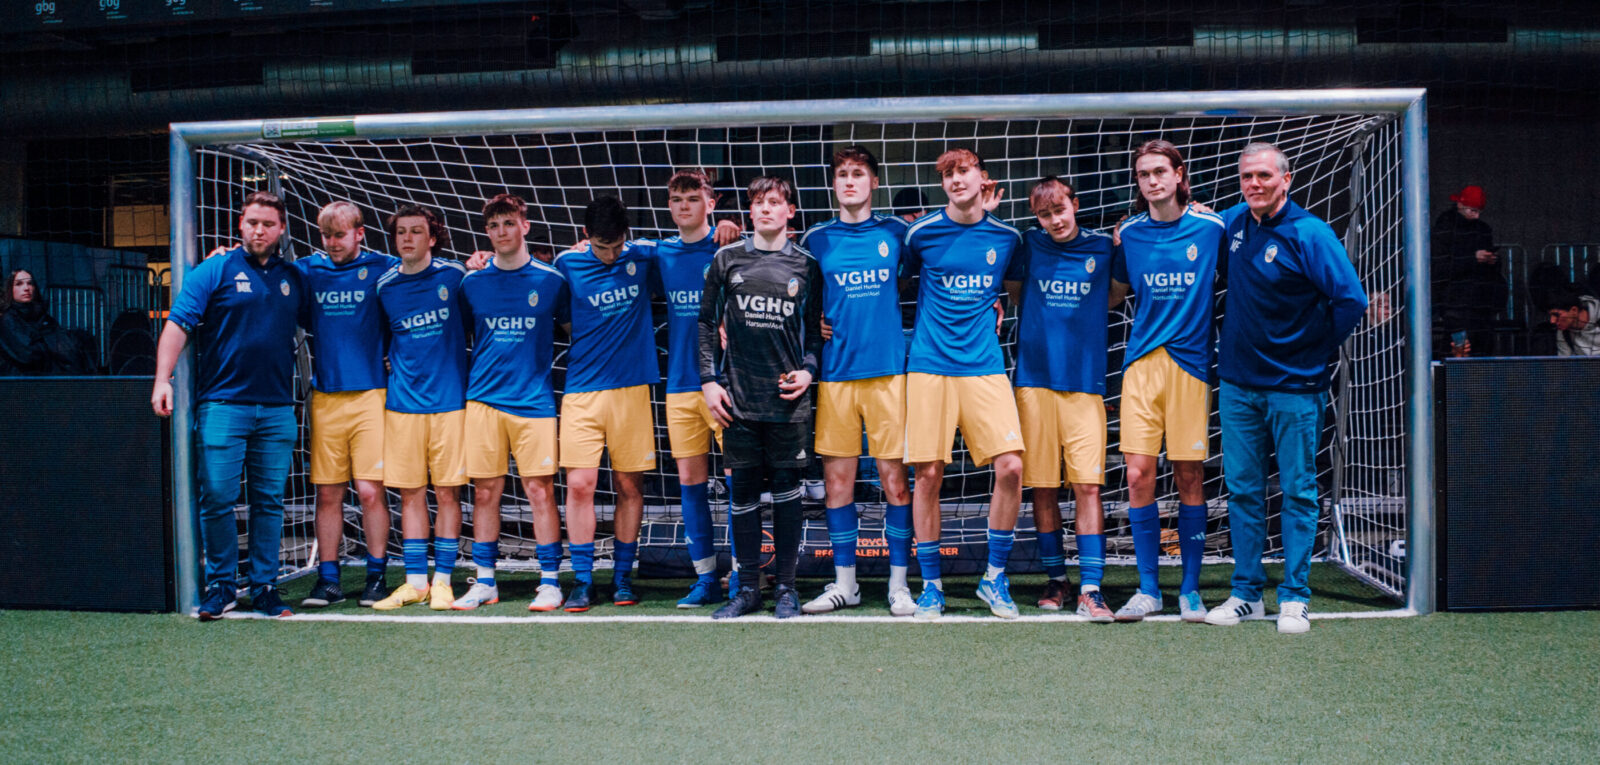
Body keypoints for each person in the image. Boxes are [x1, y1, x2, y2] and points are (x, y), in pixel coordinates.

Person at [1204, 142, 1368, 634]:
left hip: (1295, 386)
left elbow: (1351, 300)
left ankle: (1295, 597)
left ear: (1286, 179)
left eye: (1264, 176)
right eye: (1247, 177)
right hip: (1238, 385)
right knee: (1243, 492)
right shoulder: (1233, 223)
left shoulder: (1310, 233)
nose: (1254, 184)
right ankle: (1246, 594)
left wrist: (1312, 351)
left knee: (1298, 491)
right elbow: (1191, 224)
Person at [152, 191, 303, 620]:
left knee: (269, 500)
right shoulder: (215, 269)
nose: (259, 230)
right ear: (240, 224)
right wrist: (162, 379)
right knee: (218, 497)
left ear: (281, 229)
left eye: (268, 224)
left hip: (277, 409)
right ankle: (221, 585)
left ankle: (265, 586)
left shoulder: (294, 277)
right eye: (252, 222)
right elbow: (177, 324)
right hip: (222, 405)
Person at [903, 149, 1025, 620]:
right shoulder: (920, 234)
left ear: (982, 178)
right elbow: (897, 286)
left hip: (984, 365)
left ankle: (994, 577)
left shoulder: (1008, 238)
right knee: (928, 474)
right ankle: (932, 586)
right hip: (930, 365)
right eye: (948, 174)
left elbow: (1014, 292)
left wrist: (997, 305)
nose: (956, 179)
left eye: (964, 171)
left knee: (1011, 467)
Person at [796, 145, 916, 616]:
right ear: (833, 184)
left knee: (895, 482)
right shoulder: (817, 239)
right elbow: (800, 296)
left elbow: (927, 277)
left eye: (858, 173)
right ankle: (845, 583)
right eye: (842, 174)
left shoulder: (897, 233)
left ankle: (899, 585)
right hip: (837, 377)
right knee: (838, 483)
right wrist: (814, 323)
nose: (850, 181)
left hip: (887, 374)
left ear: (874, 182)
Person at [1110, 139, 1227, 623]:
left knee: (1189, 475)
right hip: (1141, 365)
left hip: (1190, 366)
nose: (1152, 180)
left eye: (1160, 171)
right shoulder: (1129, 234)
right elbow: (1112, 294)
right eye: (1144, 174)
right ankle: (1148, 589)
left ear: (1179, 174)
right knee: (1138, 474)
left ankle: (1191, 590)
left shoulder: (1212, 227)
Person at [700, 175, 824, 619]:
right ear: (750, 211)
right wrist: (709, 380)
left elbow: (815, 333)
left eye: (775, 202)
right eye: (758, 202)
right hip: (739, 400)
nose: (766, 208)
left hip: (788, 402)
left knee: (789, 493)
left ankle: (787, 588)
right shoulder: (726, 259)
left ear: (790, 211)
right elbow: (705, 324)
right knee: (744, 494)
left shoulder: (807, 265)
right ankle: (748, 588)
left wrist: (809, 371)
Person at [1003, 176, 1126, 622]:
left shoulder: (1104, 247)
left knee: (1088, 485)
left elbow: (1115, 297)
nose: (1054, 220)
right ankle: (1057, 579)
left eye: (1059, 210)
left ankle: (1091, 588)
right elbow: (1015, 293)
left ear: (1074, 204)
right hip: (1034, 382)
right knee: (1043, 487)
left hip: (1085, 384)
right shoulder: (1028, 245)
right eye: (1044, 214)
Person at [630, 169, 742, 608]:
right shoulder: (660, 253)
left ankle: (743, 574)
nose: (684, 206)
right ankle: (705, 578)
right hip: (680, 385)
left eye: (693, 198)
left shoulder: (729, 247)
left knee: (739, 483)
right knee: (690, 485)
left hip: (728, 382)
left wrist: (731, 227)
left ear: (710, 204)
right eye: (677, 199)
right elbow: (615, 250)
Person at [453, 193, 571, 611]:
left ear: (525, 226)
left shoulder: (552, 280)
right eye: (493, 225)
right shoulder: (471, 283)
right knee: (485, 492)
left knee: (540, 491)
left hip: (534, 402)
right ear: (486, 232)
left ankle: (550, 581)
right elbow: (459, 338)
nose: (501, 231)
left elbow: (575, 332)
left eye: (508, 223)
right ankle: (485, 581)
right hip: (483, 401)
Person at [552, 196, 659, 611]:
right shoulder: (567, 264)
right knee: (580, 485)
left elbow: (688, 247)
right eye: (601, 247)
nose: (611, 255)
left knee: (629, 486)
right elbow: (564, 320)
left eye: (616, 246)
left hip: (631, 389)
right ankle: (582, 579)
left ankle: (622, 577)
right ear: (585, 236)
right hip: (582, 390)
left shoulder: (644, 255)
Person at [293, 201, 399, 608]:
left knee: (370, 491)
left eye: (340, 235)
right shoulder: (308, 270)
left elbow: (419, 277)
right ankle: (328, 580)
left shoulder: (383, 267)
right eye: (326, 235)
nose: (333, 243)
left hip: (372, 394)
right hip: (326, 396)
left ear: (360, 233)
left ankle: (376, 577)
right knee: (328, 493)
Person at [370, 204, 471, 611]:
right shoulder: (384, 286)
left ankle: (443, 580)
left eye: (416, 231)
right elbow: (381, 339)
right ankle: (415, 582)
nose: (407, 238)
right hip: (402, 406)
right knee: (410, 494)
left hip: (450, 404)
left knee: (447, 493)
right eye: (401, 232)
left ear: (432, 238)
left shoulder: (455, 277)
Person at [1430, 185, 1502, 359]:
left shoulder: (1482, 229)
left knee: (1480, 348)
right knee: (1459, 348)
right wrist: (1473, 258)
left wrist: (1492, 260)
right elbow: (1441, 266)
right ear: (1460, 205)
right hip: (1454, 303)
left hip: (1479, 302)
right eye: (1473, 210)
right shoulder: (1445, 227)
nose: (1476, 215)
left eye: (1479, 211)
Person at [1544, 287, 1600, 357]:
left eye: (1557, 315)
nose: (1552, 321)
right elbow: (1564, 361)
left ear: (1574, 310)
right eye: (1551, 316)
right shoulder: (1564, 332)